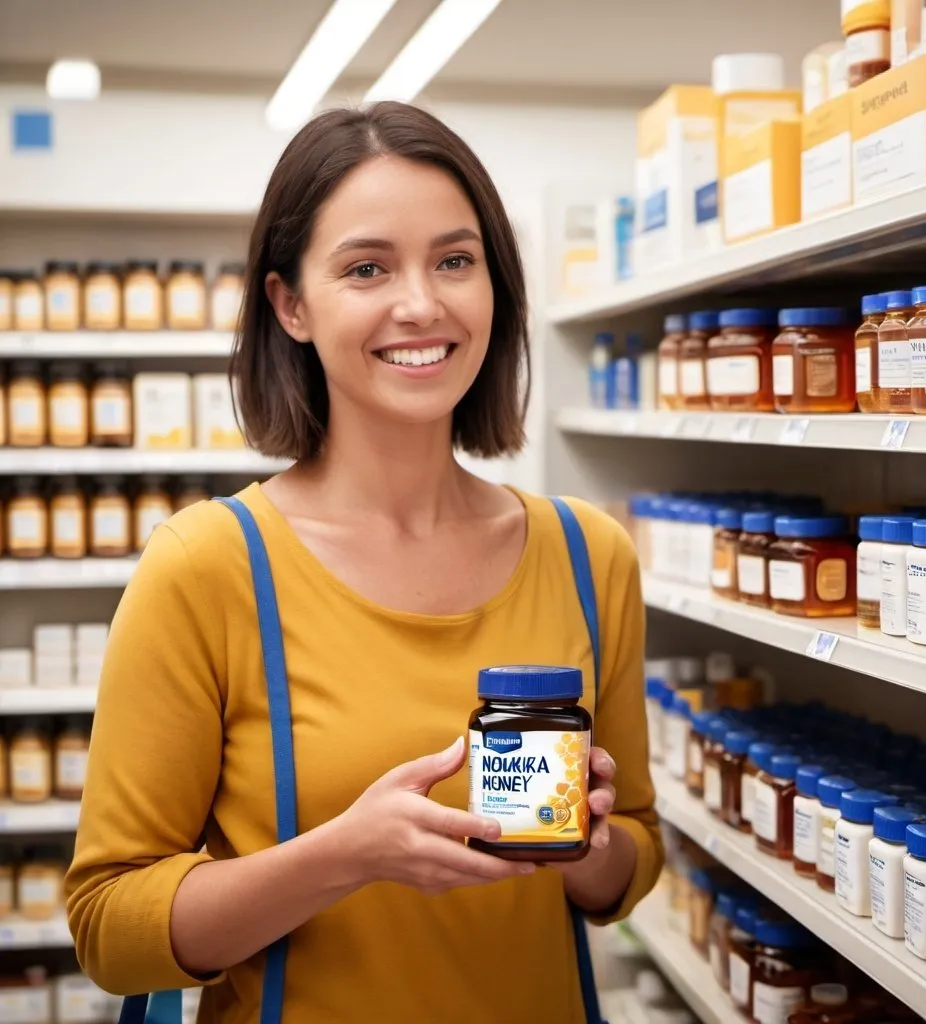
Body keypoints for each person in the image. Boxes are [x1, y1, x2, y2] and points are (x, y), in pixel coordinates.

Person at [66, 101, 662, 1023]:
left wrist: (584, 842)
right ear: (290, 304)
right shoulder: (207, 567)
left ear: (496, 287)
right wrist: (346, 854)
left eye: (455, 261)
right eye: (367, 268)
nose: (420, 303)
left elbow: (631, 863)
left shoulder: (590, 556)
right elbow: (110, 926)